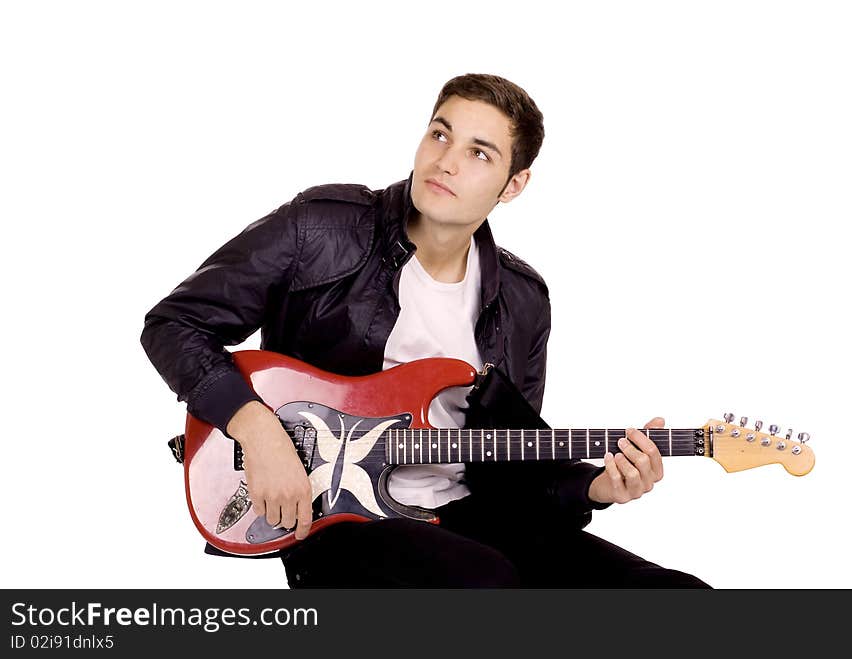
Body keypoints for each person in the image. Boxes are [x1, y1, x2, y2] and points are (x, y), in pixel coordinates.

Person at [141, 73, 710, 588]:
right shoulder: (320, 227)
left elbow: (512, 461)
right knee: (486, 585)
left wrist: (594, 488)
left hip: (469, 514)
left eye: (479, 153)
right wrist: (256, 429)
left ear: (513, 185)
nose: (447, 161)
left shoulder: (522, 299)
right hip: (337, 520)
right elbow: (174, 324)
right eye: (440, 135)